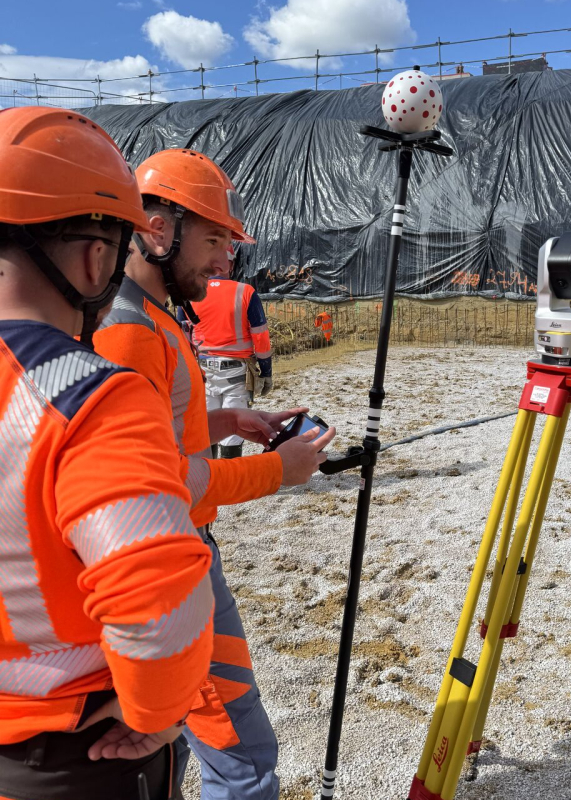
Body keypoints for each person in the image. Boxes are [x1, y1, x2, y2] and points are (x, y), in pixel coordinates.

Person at [93, 147, 335, 800]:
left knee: (177, 747)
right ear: (156, 229)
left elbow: (156, 433)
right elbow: (160, 484)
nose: (227, 260)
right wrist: (277, 470)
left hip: (182, 554)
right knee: (240, 753)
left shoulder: (149, 315)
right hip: (172, 564)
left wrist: (229, 422)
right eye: (214, 240)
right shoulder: (128, 333)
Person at [0, 108, 214, 800]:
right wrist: (156, 714)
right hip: (70, 756)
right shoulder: (87, 396)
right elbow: (160, 607)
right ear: (97, 257)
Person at [191, 244, 274, 459]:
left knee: (207, 429)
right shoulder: (245, 292)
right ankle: (230, 474)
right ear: (230, 263)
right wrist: (266, 372)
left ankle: (209, 475)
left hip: (202, 372)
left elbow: (182, 333)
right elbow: (260, 337)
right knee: (233, 431)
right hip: (236, 373)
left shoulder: (192, 292)